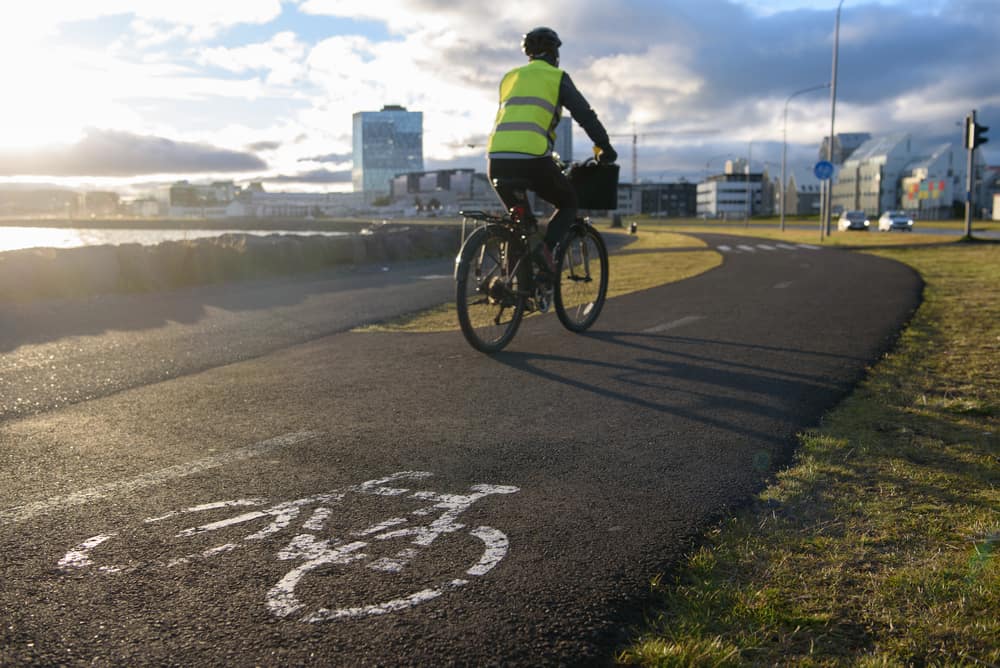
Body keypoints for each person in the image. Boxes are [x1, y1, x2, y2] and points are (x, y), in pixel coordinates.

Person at [486, 26, 617, 278]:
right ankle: (544, 257)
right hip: (533, 159)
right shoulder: (556, 77)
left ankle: (514, 284)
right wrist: (604, 147)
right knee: (568, 202)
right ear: (555, 53)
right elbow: (585, 116)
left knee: (521, 224)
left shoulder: (510, 77)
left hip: (496, 159)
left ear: (529, 55)